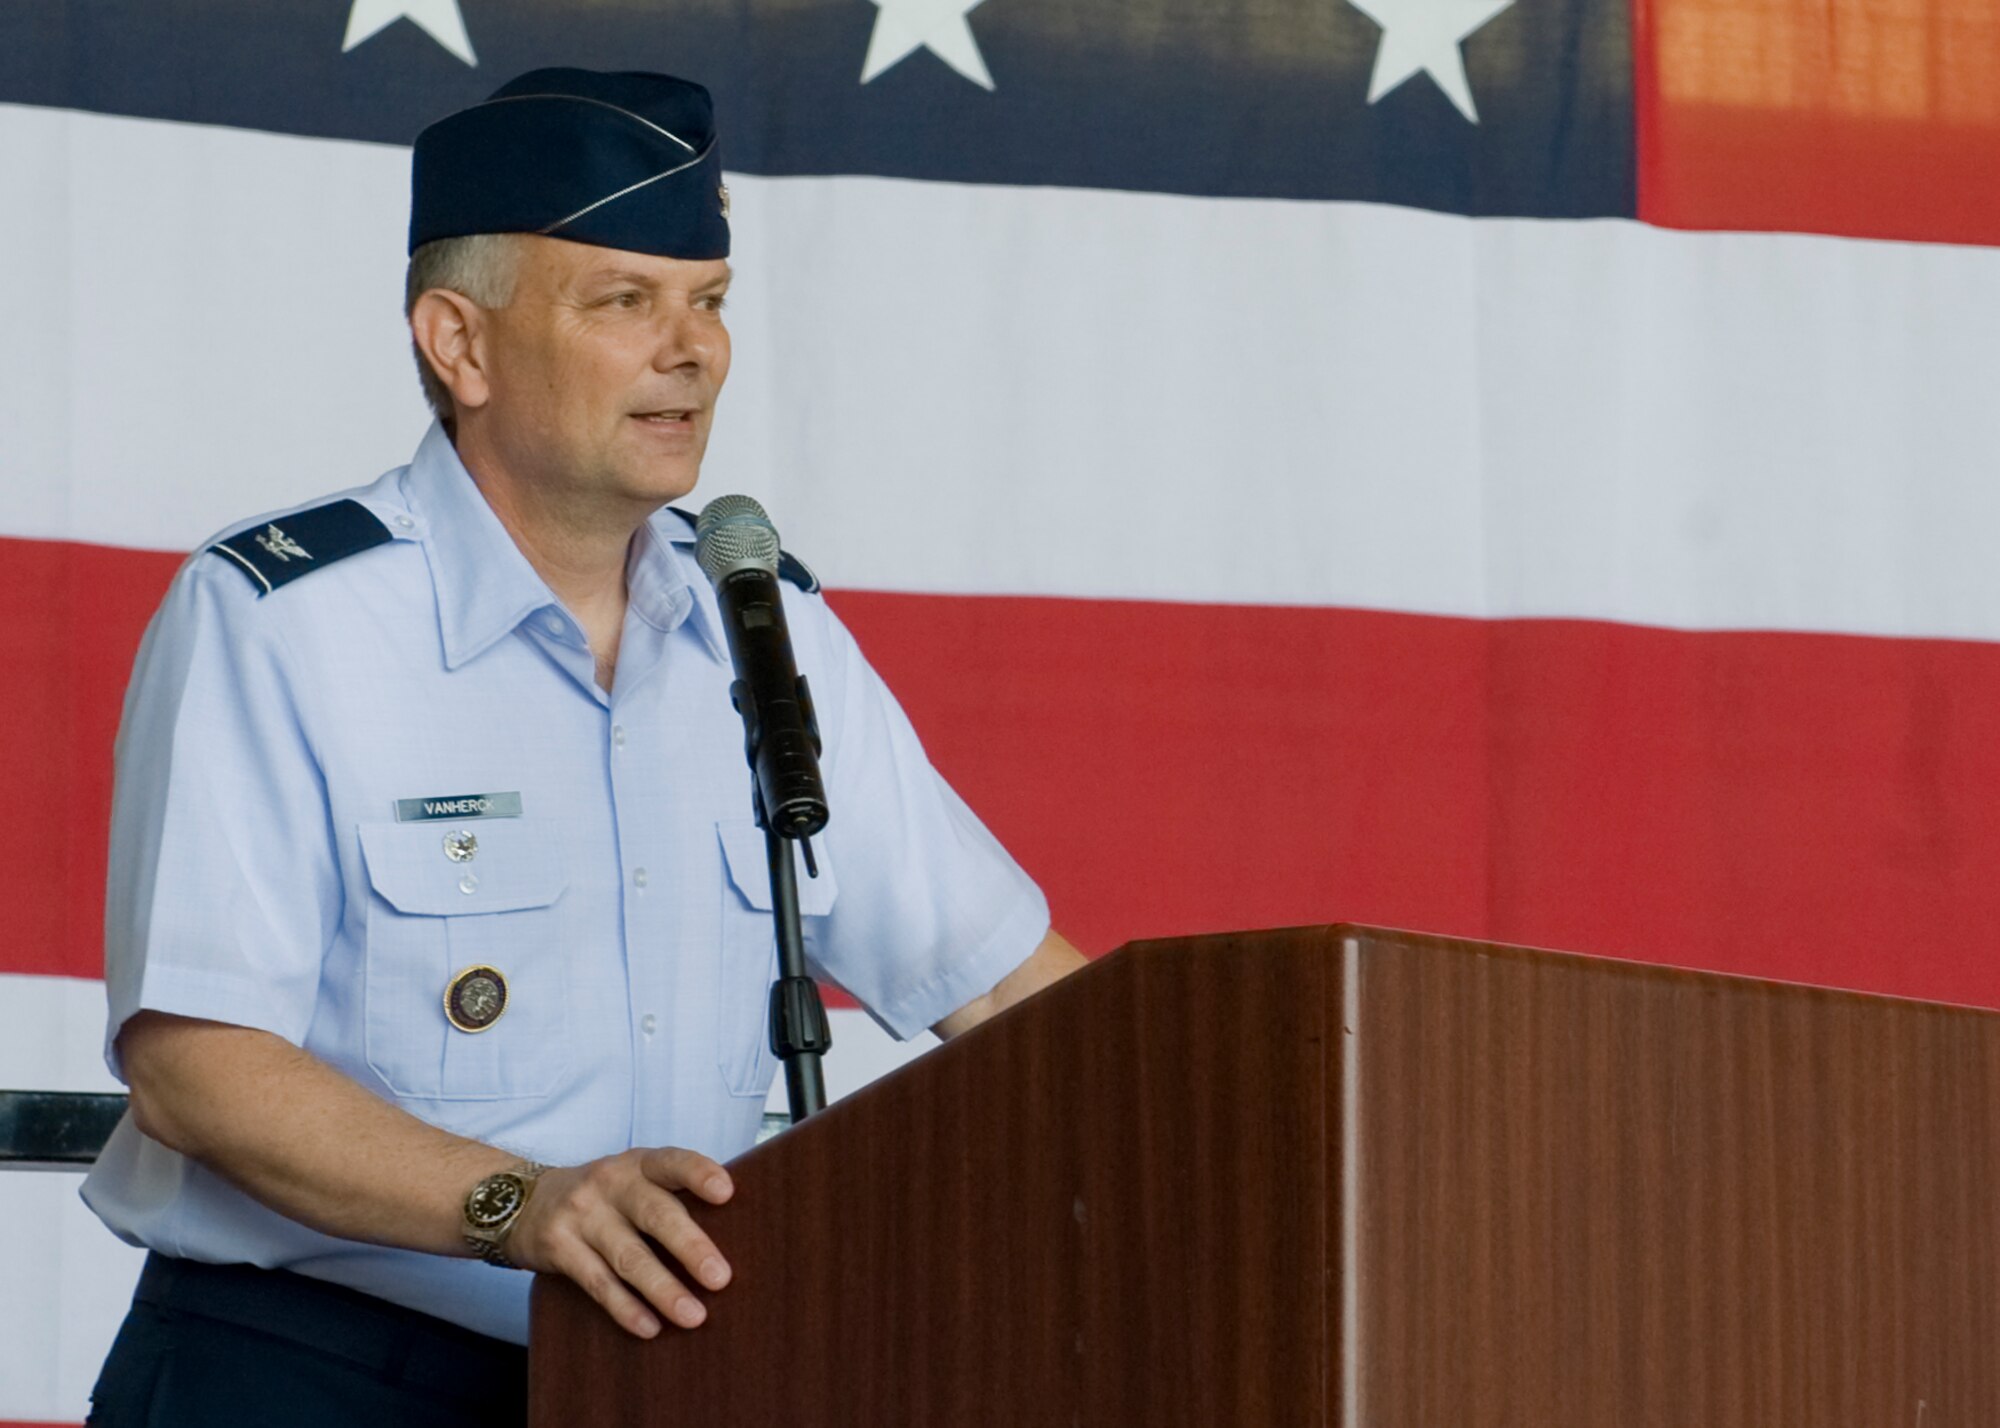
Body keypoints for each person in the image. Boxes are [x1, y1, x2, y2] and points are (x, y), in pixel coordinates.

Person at [80, 67, 1084, 1427]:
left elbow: (1021, 1000)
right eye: (625, 301)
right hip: (311, 1373)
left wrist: (1289, 1110)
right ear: (461, 343)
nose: (696, 351)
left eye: (711, 302)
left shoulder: (762, 629)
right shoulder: (284, 622)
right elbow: (197, 1067)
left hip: (654, 1384)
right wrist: (518, 1207)